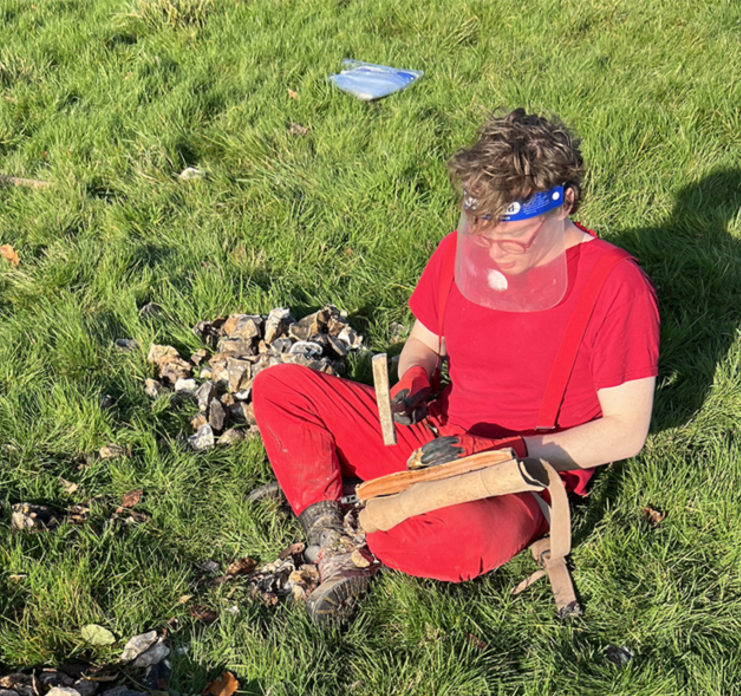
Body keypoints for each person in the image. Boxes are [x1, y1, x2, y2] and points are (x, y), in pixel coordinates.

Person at [251, 108, 660, 625]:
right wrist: (414, 377)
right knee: (279, 389)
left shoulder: (615, 286)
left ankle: (354, 507)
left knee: (455, 537)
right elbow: (424, 342)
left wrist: (500, 451)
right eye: (482, 233)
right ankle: (335, 537)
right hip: (436, 439)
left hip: (522, 472)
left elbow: (625, 432)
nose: (493, 252)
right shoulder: (463, 249)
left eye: (512, 238)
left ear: (566, 204)